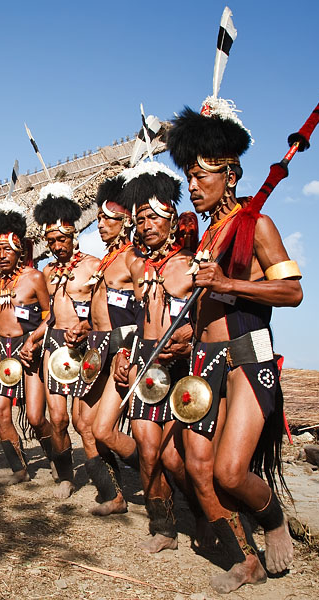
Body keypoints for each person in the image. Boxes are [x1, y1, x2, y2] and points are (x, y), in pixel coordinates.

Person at [166, 96, 301, 591]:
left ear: (230, 174)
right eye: (189, 175)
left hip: (248, 358)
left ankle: (273, 520)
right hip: (204, 361)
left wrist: (230, 284)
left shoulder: (257, 225)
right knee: (194, 464)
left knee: (228, 471)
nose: (192, 185)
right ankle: (246, 560)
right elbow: (206, 309)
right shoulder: (208, 236)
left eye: (202, 176)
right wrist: (184, 336)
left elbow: (292, 291)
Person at [119, 162, 197, 551]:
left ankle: (203, 514)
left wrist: (186, 336)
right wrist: (123, 352)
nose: (147, 224)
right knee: (148, 451)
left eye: (154, 216)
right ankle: (163, 527)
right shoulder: (136, 266)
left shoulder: (189, 265)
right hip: (143, 362)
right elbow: (133, 318)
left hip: (180, 365)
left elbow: (207, 322)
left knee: (175, 458)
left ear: (169, 216)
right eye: (141, 218)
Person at [22, 182, 98, 499]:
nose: (57, 245)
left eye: (62, 239)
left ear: (72, 236)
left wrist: (86, 326)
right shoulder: (46, 273)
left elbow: (103, 314)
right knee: (58, 418)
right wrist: (34, 340)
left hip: (84, 346)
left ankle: (103, 475)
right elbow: (48, 315)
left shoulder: (93, 265)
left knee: (83, 422)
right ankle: (66, 476)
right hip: (53, 345)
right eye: (51, 240)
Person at [74, 177, 142, 516]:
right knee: (81, 420)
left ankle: (158, 474)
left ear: (126, 220)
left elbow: (145, 311)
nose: (100, 224)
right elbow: (102, 308)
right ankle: (113, 495)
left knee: (102, 428)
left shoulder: (133, 259)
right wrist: (85, 325)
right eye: (99, 219)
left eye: (107, 219)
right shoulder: (105, 261)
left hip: (122, 350)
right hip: (98, 349)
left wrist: (127, 353)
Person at [0, 199, 53, 484]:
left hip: (30, 353)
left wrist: (33, 341)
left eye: (7, 249)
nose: (1, 255)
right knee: (1, 411)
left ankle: (58, 459)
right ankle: (19, 468)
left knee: (35, 417)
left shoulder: (34, 277)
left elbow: (51, 316)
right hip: (4, 353)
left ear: (19, 249)